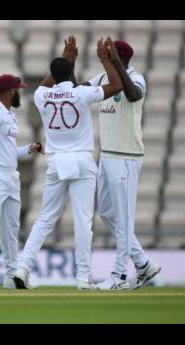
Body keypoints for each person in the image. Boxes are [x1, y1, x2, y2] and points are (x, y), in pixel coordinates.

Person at [13, 37, 123, 290]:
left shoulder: (41, 95)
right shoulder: (81, 93)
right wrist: (106, 59)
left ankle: (23, 267)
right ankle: (83, 278)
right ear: (71, 72)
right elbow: (116, 85)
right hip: (82, 161)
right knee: (82, 221)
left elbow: (47, 82)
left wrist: (66, 59)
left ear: (51, 73)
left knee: (44, 219)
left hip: (57, 162)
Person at [84, 39, 161, 290]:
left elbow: (133, 95)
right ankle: (143, 263)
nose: (103, 59)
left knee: (125, 219)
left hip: (127, 156)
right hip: (107, 156)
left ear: (121, 57)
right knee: (107, 212)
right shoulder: (101, 78)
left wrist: (114, 62)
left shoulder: (136, 79)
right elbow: (80, 89)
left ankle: (118, 275)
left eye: (109, 55)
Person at [0, 74, 44, 289]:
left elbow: (9, 153)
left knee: (11, 228)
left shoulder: (9, 115)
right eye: (17, 89)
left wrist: (29, 149)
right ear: (9, 91)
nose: (19, 92)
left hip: (11, 176)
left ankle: (12, 276)